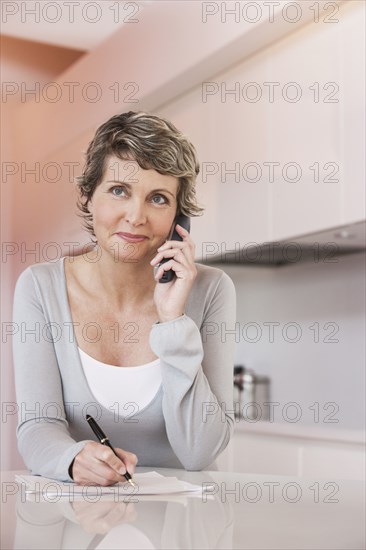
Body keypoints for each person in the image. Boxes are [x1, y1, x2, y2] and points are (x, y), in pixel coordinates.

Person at [12, 111, 237, 485]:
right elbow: (38, 427)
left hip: (182, 526)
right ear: (88, 195)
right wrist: (72, 459)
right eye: (119, 190)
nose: (136, 216)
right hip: (81, 522)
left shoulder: (212, 290)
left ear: (179, 218)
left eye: (158, 198)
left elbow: (199, 452)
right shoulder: (39, 287)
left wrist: (173, 320)